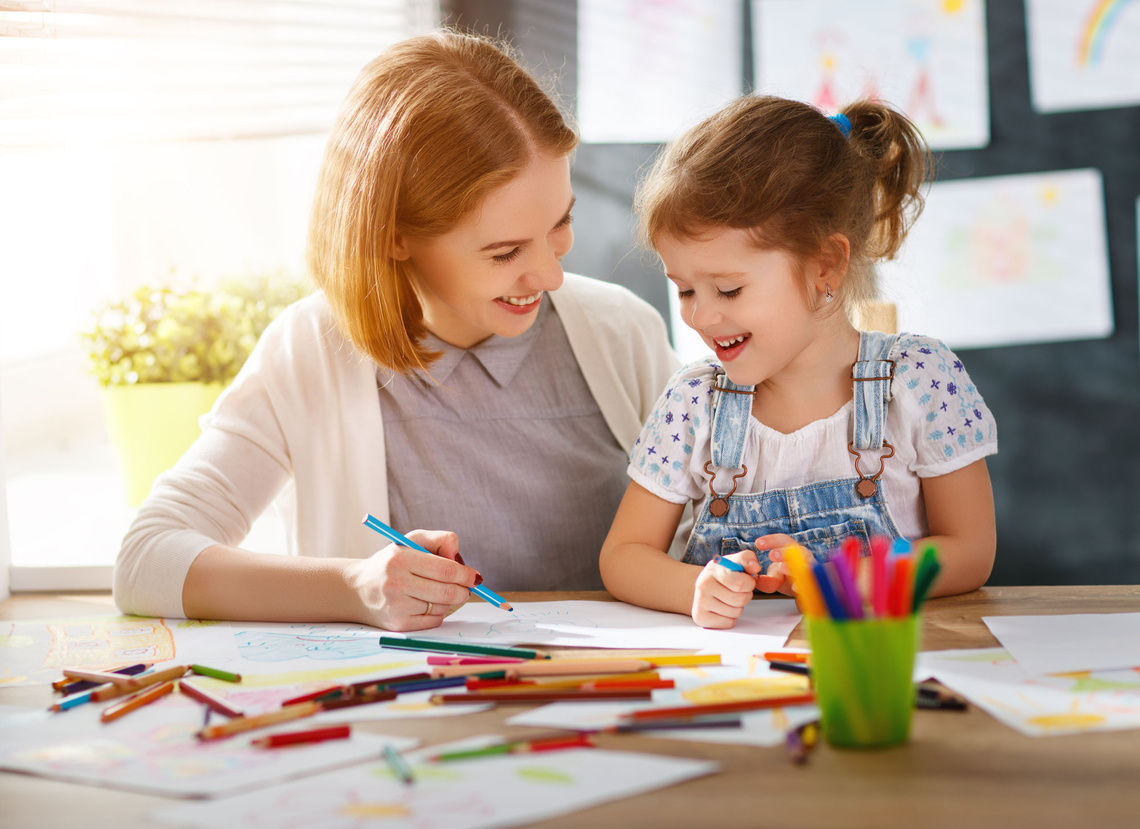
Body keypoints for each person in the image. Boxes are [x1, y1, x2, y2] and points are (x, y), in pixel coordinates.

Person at [114, 30, 677, 631]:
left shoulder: (623, 335)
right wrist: (355, 588)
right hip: (411, 711)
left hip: (610, 696)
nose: (550, 274)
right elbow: (145, 561)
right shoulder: (310, 351)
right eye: (505, 250)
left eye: (560, 223)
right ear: (393, 235)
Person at [599, 96, 997, 629]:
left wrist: (845, 582)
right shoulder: (693, 403)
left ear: (824, 266)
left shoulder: (919, 380)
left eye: (729, 289)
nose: (700, 315)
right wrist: (692, 587)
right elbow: (623, 556)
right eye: (685, 289)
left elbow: (970, 550)